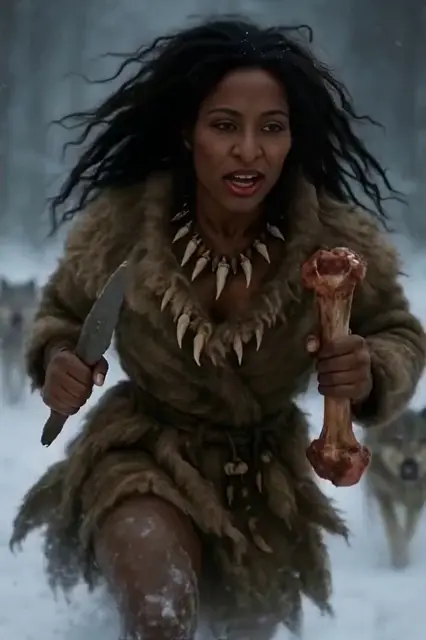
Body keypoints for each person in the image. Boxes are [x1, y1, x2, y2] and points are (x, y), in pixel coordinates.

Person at [10, 17, 426, 640]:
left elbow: (398, 331)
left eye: (272, 128)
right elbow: (61, 317)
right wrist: (58, 361)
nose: (249, 150)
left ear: (293, 137)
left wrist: (372, 370)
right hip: (144, 453)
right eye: (225, 125)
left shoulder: (337, 241)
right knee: (159, 612)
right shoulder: (122, 226)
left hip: (264, 484)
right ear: (188, 131)